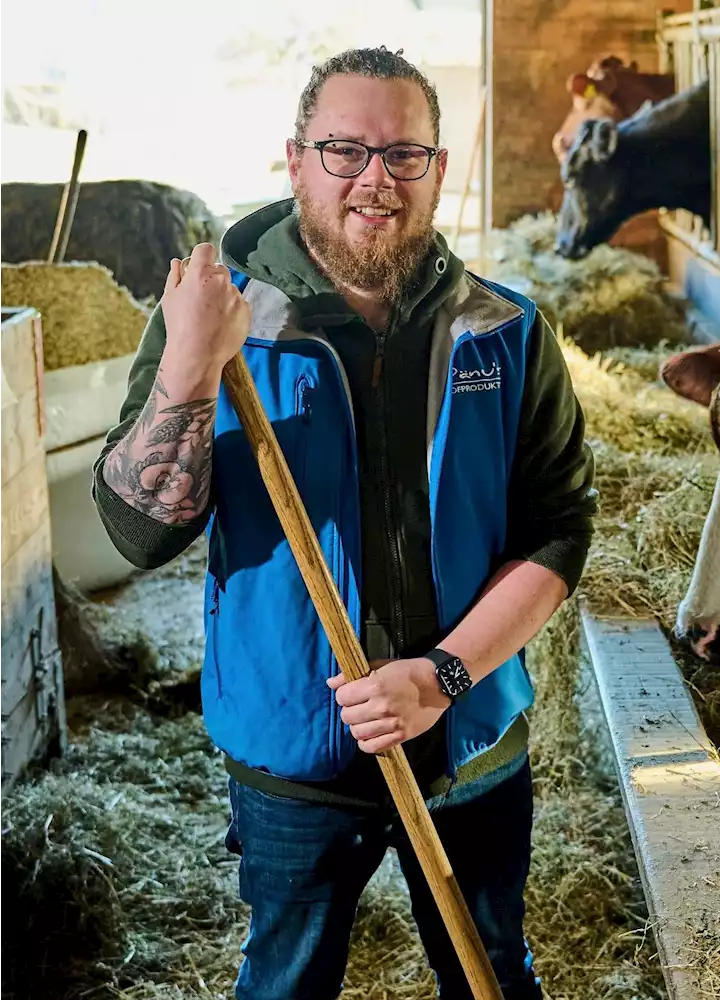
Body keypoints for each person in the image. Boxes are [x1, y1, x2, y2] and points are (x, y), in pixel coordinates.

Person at [93, 46, 596, 1000]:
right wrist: (189, 367)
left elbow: (558, 530)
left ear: (440, 169)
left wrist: (444, 676)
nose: (377, 178)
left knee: (492, 970)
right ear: (295, 162)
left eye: (406, 154)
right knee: (286, 980)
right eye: (345, 150)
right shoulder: (222, 322)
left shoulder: (507, 329)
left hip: (468, 741)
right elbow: (139, 534)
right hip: (294, 753)